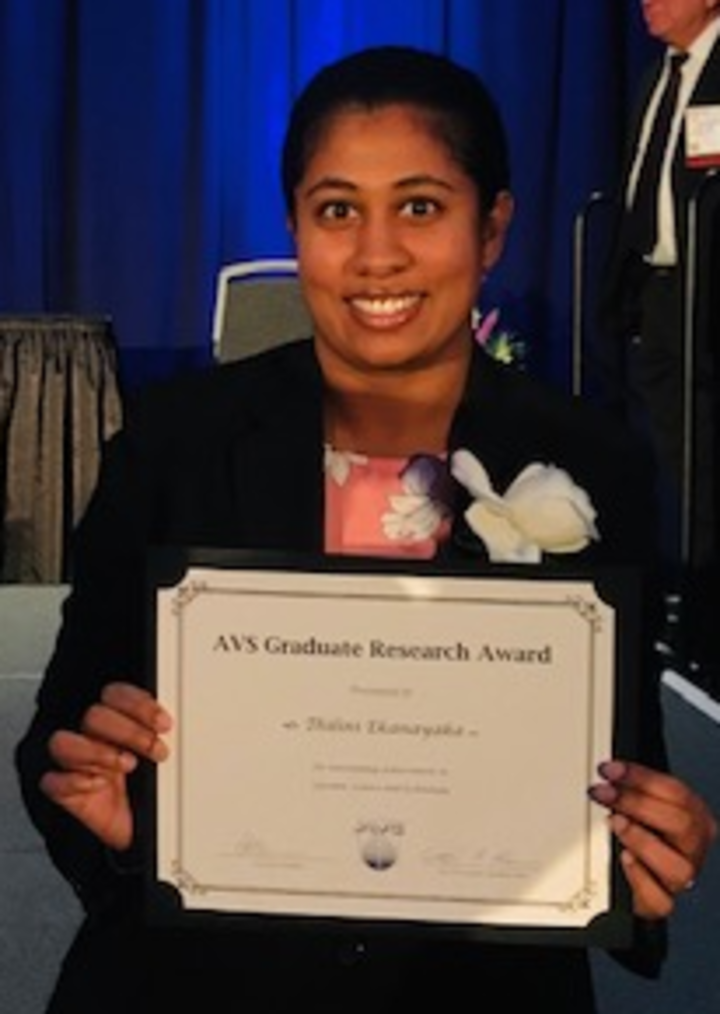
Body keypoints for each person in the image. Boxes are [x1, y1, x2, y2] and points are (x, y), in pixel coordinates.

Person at [15, 45, 717, 1014]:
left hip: (474, 993)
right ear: (297, 227)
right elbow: (56, 734)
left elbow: (619, 769)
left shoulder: (591, 461)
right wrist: (113, 818)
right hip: (197, 985)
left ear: (493, 228)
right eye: (337, 210)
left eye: (421, 206)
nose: (376, 254)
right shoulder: (175, 444)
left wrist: (636, 864)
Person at [598, 0, 720, 697]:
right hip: (660, 295)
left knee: (712, 471)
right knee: (681, 464)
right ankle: (692, 613)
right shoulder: (657, 77)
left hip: (713, 293)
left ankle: (707, 627)